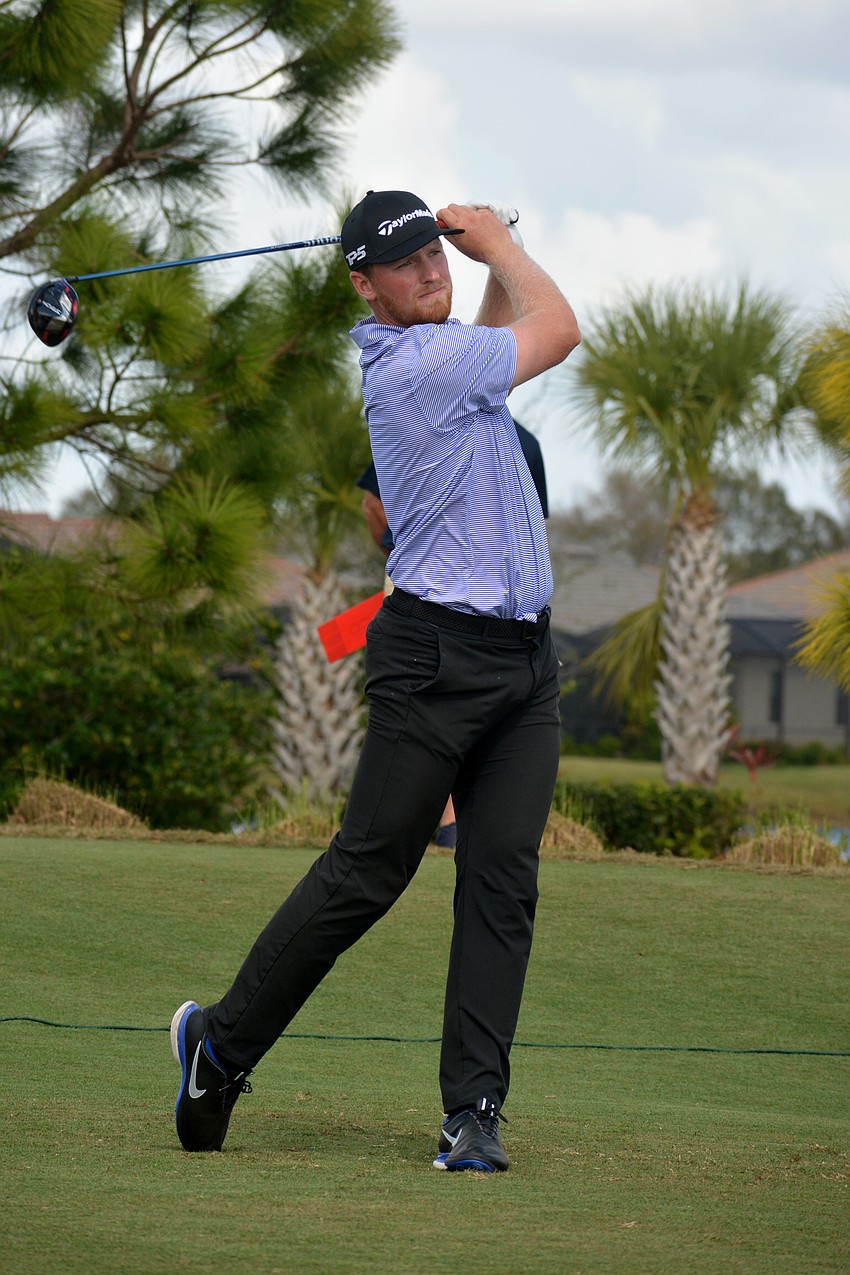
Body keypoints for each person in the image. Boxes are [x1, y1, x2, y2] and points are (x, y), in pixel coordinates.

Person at [171, 190, 579, 1173]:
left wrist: (473, 263)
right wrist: (501, 246)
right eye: (406, 264)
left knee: (501, 880)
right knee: (369, 873)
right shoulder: (408, 370)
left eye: (435, 255)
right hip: (434, 658)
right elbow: (557, 328)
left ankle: (472, 1112)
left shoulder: (447, 359)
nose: (431, 272)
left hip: (524, 663)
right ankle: (218, 1047)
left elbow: (492, 343)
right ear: (364, 285)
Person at [355, 420, 550, 850]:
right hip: (467, 608)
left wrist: (403, 552)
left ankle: (439, 823)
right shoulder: (440, 423)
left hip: (452, 604)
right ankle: (435, 824)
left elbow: (374, 505)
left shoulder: (430, 424)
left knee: (432, 713)